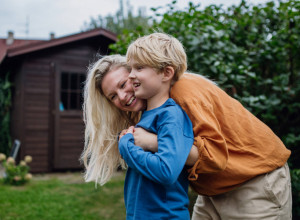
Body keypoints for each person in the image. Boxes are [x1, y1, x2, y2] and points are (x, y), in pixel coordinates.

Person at [81, 35, 292, 219]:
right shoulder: (147, 108)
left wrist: (148, 142)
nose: (123, 96)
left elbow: (214, 156)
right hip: (212, 190)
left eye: (123, 84)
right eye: (113, 96)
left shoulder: (181, 92)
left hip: (254, 181)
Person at [116, 33, 194, 219]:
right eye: (131, 68)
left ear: (166, 73)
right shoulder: (147, 115)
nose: (131, 75)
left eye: (140, 67)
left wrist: (126, 146)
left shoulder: (171, 115)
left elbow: (166, 170)